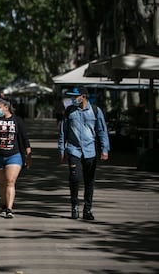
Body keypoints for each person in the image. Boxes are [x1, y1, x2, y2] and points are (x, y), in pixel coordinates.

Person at [58, 86, 110, 220]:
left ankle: (87, 209)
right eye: (72, 97)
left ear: (83, 97)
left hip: (90, 151)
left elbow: (102, 131)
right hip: (73, 150)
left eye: (75, 97)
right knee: (75, 178)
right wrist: (61, 149)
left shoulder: (95, 111)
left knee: (89, 181)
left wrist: (105, 149)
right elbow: (63, 131)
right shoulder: (69, 111)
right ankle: (74, 205)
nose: (73, 99)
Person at [0, 98, 32, 219]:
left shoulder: (17, 121)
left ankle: (9, 209)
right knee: (2, 183)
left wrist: (28, 154)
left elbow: (24, 138)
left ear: (6, 107)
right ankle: (4, 205)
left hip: (14, 155)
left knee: (10, 181)